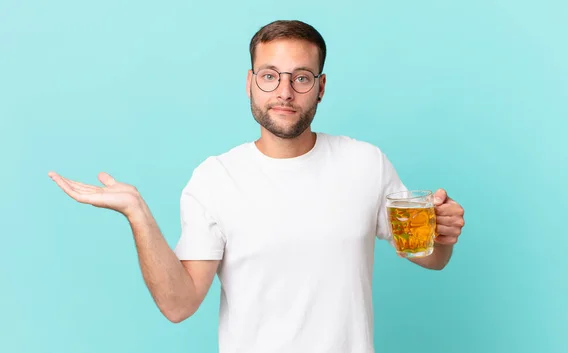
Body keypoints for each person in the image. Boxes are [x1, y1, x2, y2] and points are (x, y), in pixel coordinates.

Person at [49, 20, 465, 353]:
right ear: (249, 83)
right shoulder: (215, 179)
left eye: (301, 78)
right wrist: (137, 213)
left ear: (320, 88)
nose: (284, 92)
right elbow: (179, 305)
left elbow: (430, 257)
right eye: (270, 76)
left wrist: (443, 236)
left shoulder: (366, 162)